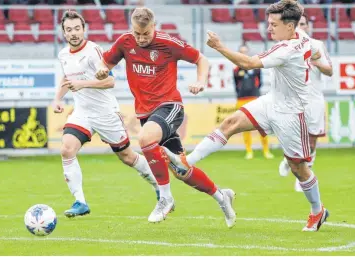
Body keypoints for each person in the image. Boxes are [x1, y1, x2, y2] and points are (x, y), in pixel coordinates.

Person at [164, 0, 329, 232]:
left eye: (273, 24)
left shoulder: (286, 49)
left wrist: (219, 46)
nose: (268, 28)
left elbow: (249, 62)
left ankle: (317, 211)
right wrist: (319, 58)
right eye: (268, 23)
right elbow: (316, 49)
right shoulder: (300, 37)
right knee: (230, 122)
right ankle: (186, 162)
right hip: (271, 101)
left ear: (290, 27)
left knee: (298, 168)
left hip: (291, 113)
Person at [95, 7, 236, 227]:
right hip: (146, 113)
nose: (141, 39)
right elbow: (105, 64)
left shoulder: (168, 43)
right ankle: (221, 196)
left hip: (170, 106)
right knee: (181, 169)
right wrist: (102, 70)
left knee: (144, 139)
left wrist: (200, 81)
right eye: (137, 34)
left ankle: (165, 198)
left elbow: (201, 59)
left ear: (154, 27)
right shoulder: (125, 42)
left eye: (146, 34)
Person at [52, 10, 159, 218]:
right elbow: (66, 77)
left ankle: (158, 184)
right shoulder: (63, 54)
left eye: (76, 28)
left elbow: (110, 81)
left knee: (127, 157)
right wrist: (57, 99)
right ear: (64, 33)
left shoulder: (94, 51)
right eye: (68, 30)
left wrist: (82, 84)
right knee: (66, 149)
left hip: (105, 113)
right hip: (82, 113)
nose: (73, 33)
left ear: (84, 29)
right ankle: (80, 202)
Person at [278, 14, 333, 192]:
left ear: (308, 27)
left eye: (303, 24)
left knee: (311, 142)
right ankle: (289, 160)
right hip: (293, 99)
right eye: (297, 24)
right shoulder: (286, 45)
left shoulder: (317, 45)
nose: (300, 27)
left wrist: (314, 60)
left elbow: (329, 70)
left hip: (314, 100)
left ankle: (304, 175)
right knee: (294, 137)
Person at [233, 44, 274, 160]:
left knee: (262, 125)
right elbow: (236, 85)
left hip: (255, 98)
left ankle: (266, 150)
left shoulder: (255, 67)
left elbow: (259, 83)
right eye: (241, 52)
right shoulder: (236, 69)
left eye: (245, 51)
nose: (243, 54)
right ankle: (249, 151)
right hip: (242, 99)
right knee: (244, 127)